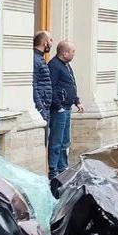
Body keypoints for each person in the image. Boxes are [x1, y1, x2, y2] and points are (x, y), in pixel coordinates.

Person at [47, 40, 81, 191]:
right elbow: (51, 88)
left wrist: (77, 101)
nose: (74, 54)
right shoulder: (54, 66)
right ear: (65, 53)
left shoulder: (67, 65)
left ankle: (63, 168)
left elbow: (71, 85)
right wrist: (58, 106)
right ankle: (53, 171)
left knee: (64, 141)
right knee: (56, 141)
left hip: (67, 108)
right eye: (72, 51)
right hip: (59, 110)